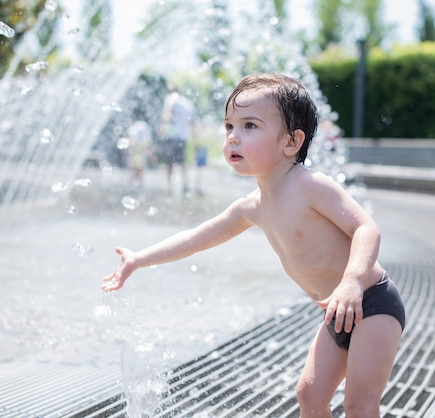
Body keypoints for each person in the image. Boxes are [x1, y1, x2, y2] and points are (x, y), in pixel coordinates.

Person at [102, 73, 405, 417]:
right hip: (336, 313)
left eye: (249, 126)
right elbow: (196, 237)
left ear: (291, 143)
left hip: (371, 302)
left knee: (359, 403)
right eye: (229, 126)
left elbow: (366, 229)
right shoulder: (253, 206)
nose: (233, 137)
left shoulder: (310, 187)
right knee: (309, 394)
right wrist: (139, 258)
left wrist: (352, 281)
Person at [159, 88, 196, 195]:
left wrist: (161, 131)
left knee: (169, 163)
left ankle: (169, 186)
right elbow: (192, 121)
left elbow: (166, 116)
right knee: (182, 162)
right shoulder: (187, 103)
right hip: (183, 137)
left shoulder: (170, 99)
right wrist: (195, 137)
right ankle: (185, 185)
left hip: (171, 136)